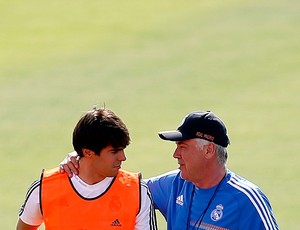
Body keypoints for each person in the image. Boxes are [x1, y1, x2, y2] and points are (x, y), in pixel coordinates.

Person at [61, 110, 279, 229]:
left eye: (182, 147)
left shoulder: (247, 200)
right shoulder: (172, 185)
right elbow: (122, 190)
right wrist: (81, 159)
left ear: (209, 150)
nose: (175, 155)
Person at [16, 107, 157, 230]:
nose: (123, 157)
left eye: (122, 150)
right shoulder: (44, 188)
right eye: (114, 152)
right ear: (88, 152)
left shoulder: (138, 190)